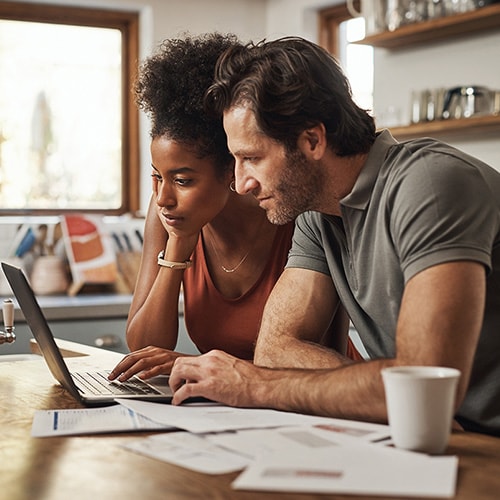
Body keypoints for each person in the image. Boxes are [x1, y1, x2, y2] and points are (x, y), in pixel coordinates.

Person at [168, 36, 500, 438]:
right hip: (432, 435)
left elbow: (423, 386)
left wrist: (254, 385)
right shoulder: (319, 215)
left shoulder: (429, 185)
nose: (241, 184)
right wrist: (386, 394)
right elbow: (274, 350)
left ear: (312, 140)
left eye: (252, 158)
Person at [109, 34, 360, 383]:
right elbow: (143, 347)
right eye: (157, 177)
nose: (163, 197)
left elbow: (315, 353)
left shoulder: (292, 209)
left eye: (182, 180)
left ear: (232, 168)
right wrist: (180, 246)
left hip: (317, 396)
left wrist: (196, 365)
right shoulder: (170, 214)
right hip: (230, 403)